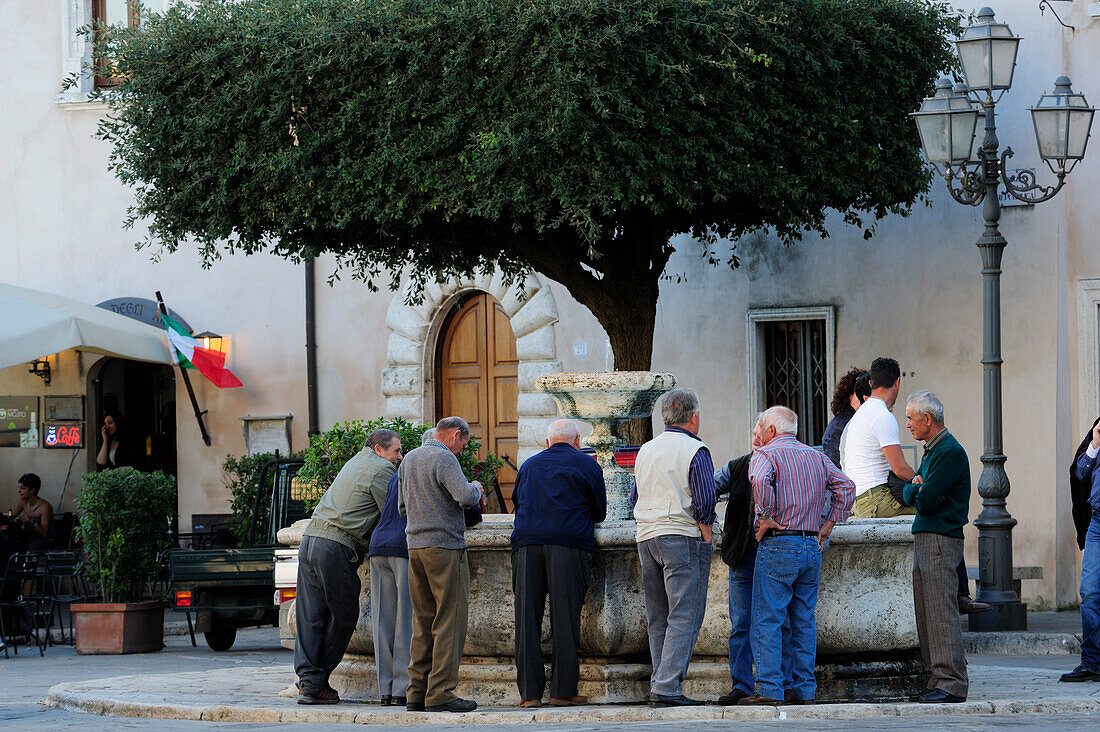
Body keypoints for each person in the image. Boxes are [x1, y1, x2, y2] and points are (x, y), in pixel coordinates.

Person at [740, 406, 854, 706]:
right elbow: (846, 487)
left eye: (761, 428)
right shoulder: (816, 456)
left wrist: (764, 515)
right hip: (810, 546)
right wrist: (829, 521)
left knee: (767, 620)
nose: (759, 434)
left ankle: (769, 689)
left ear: (772, 431)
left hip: (779, 544)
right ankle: (804, 690)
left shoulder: (766, 455)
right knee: (803, 621)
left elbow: (761, 481)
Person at [294, 429, 402, 705]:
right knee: (343, 616)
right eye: (396, 451)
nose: (399, 458)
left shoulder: (354, 462)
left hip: (310, 541)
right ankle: (315, 683)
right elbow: (394, 513)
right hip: (335, 547)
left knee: (311, 616)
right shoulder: (382, 470)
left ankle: (308, 680)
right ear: (378, 449)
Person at [511, 419, 607, 708]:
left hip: (527, 543)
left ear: (548, 442)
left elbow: (518, 501)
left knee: (527, 619)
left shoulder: (528, 465)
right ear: (577, 441)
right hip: (568, 544)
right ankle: (562, 692)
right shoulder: (588, 465)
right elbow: (599, 512)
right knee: (564, 619)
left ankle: (529, 695)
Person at [632, 388, 717, 707]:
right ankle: (668, 686)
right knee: (685, 613)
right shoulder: (695, 449)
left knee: (658, 616)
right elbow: (706, 499)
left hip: (647, 536)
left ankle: (660, 682)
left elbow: (634, 498)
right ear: (694, 417)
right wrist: (707, 535)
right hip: (680, 535)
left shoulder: (646, 450)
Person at [399, 416, 485, 713]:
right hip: (445, 548)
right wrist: (476, 488)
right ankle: (441, 693)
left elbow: (401, 507)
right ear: (455, 435)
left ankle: (416, 692)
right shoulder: (444, 457)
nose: (463, 448)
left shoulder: (409, 458)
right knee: (449, 621)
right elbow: (464, 496)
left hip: (415, 548)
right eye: (464, 442)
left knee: (422, 622)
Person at [713, 429, 793, 705]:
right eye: (755, 434)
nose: (755, 439)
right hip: (743, 556)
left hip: (775, 554)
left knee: (779, 623)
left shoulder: (789, 464)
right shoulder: (737, 466)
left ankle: (782, 684)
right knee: (741, 624)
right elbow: (707, 489)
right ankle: (742, 684)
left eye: (761, 434)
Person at [901, 391, 971, 703]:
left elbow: (926, 500)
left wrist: (918, 490)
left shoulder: (948, 452)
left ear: (927, 419)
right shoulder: (933, 450)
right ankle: (936, 679)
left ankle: (952, 682)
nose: (907, 425)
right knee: (926, 610)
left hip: (941, 538)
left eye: (910, 419)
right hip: (928, 535)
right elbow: (911, 492)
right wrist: (916, 489)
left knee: (941, 611)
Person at [842, 357, 915, 519]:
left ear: (870, 384)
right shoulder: (882, 415)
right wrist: (925, 484)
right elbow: (900, 469)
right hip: (877, 500)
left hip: (859, 499)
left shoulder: (862, 412)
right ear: (897, 382)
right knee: (935, 509)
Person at [1062, 416, 1100, 682]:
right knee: (1089, 592)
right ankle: (1092, 662)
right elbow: (1080, 473)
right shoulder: (1097, 431)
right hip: (1097, 523)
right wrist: (1095, 444)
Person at [822, 367, 868, 469]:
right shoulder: (843, 423)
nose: (864, 398)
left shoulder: (857, 418)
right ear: (849, 395)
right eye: (859, 393)